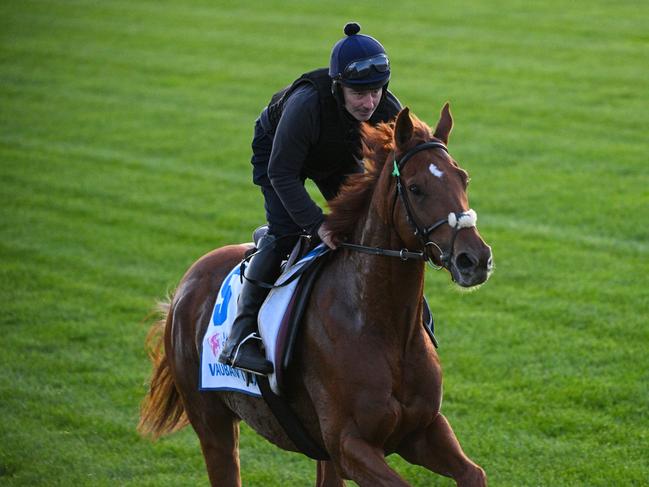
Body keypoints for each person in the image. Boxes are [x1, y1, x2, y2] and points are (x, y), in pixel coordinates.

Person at [218, 22, 402, 375]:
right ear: (338, 87)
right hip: (278, 154)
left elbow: (394, 169)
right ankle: (240, 335)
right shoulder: (306, 104)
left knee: (362, 226)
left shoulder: (386, 108)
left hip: (334, 154)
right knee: (289, 232)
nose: (369, 102)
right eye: (359, 93)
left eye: (376, 91)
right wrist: (317, 225)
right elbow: (281, 173)